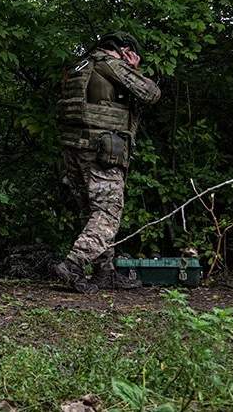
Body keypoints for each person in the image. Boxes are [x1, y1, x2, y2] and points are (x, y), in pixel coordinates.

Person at [53, 32, 161, 293]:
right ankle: (73, 265)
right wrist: (133, 69)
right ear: (125, 50)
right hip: (101, 151)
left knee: (92, 211)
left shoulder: (80, 66)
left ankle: (105, 272)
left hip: (75, 148)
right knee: (108, 212)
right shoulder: (110, 64)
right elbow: (151, 93)